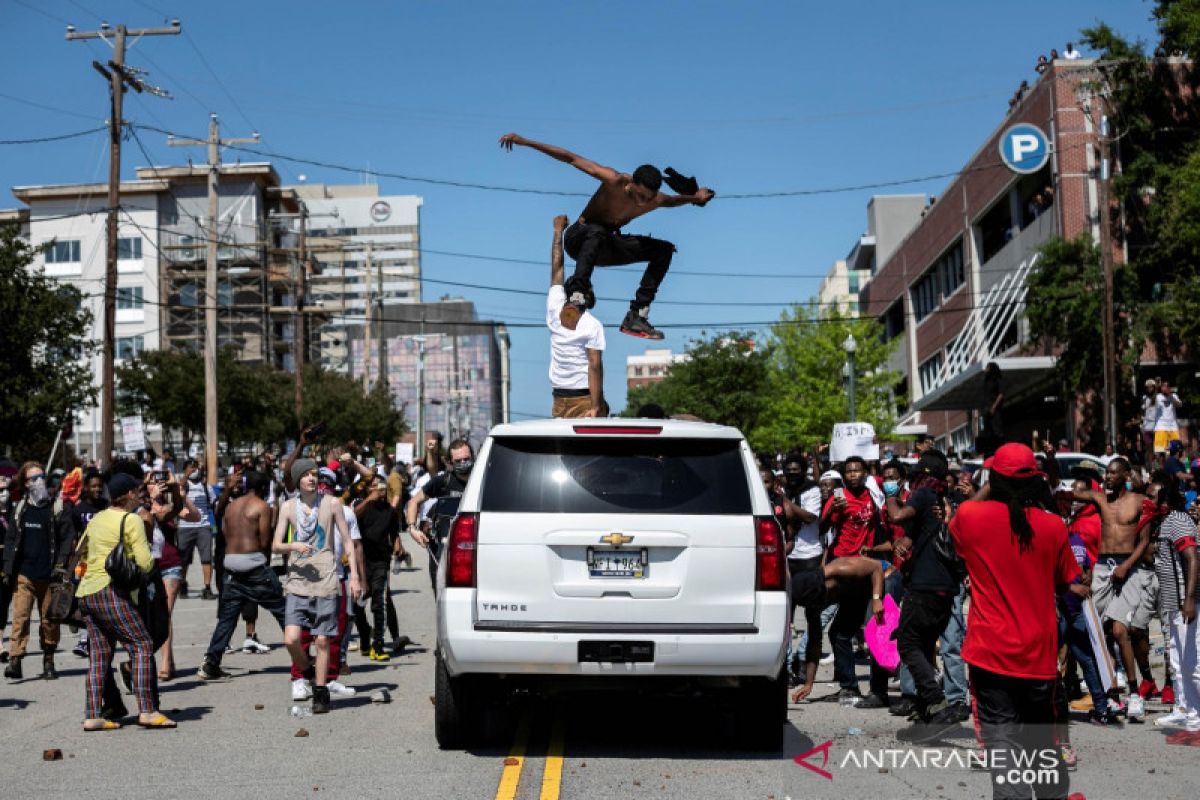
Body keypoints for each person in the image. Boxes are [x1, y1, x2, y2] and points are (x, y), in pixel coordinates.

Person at [950, 443, 1081, 798]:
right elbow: (1067, 580)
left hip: (991, 650)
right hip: (1038, 652)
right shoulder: (1054, 526)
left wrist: (991, 484)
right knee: (1039, 738)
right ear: (1035, 482)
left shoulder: (971, 517)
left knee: (1002, 739)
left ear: (993, 480)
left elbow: (964, 516)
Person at [499, 132, 714, 339]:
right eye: (639, 195)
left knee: (664, 250)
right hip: (578, 239)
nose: (642, 202)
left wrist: (695, 197)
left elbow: (674, 201)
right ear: (630, 183)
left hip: (606, 245)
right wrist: (524, 141)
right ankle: (576, 296)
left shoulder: (656, 200)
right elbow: (569, 157)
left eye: (647, 199)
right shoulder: (613, 180)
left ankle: (637, 315)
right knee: (597, 230)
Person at [75, 471, 174, 730]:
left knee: (99, 656)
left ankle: (93, 715)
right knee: (142, 644)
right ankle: (148, 711)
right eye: (136, 491)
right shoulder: (131, 520)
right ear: (129, 494)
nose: (139, 494)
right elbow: (145, 561)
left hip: (87, 592)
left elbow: (81, 551)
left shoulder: (96, 518)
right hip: (111, 591)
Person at [272, 459, 361, 714]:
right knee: (291, 639)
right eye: (306, 475)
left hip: (326, 577)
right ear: (298, 479)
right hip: (297, 579)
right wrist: (293, 546)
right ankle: (308, 670)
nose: (312, 478)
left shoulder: (332, 504)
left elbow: (347, 541)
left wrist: (354, 577)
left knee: (323, 640)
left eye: (314, 474)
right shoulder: (288, 507)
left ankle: (320, 691)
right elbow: (275, 545)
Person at [887, 451, 964, 741]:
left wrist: (890, 495)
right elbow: (918, 533)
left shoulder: (922, 495)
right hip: (944, 586)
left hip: (925, 586)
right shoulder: (943, 500)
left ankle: (937, 702)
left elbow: (896, 516)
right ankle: (925, 715)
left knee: (908, 643)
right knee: (922, 646)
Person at [1074, 457, 1156, 721]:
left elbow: (1144, 541)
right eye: (1105, 474)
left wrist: (1127, 566)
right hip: (1102, 567)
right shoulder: (1101, 500)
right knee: (1097, 629)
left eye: (1112, 473)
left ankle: (1134, 694)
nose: (1108, 478)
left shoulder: (1140, 501)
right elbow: (1075, 492)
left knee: (1121, 629)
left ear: (1126, 475)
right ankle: (1111, 690)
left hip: (1128, 567)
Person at [197, 470, 288, 682]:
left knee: (227, 618)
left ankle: (211, 662)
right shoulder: (262, 507)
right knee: (283, 610)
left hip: (231, 565)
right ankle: (303, 656)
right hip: (253, 566)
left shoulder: (231, 506)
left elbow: (227, 534)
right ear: (264, 488)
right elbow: (265, 542)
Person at [821, 456, 890, 708]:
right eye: (848, 471)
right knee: (839, 629)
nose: (853, 475)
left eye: (857, 470)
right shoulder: (838, 497)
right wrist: (833, 511)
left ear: (864, 472)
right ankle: (849, 686)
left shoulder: (873, 495)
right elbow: (822, 526)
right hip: (842, 566)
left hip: (865, 567)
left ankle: (851, 687)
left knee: (844, 630)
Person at [3, 462, 75, 681]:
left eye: (42, 476)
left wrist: (62, 565)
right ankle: (15, 659)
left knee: (49, 619)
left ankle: (49, 659)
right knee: (20, 616)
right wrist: (7, 568)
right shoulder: (20, 508)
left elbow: (67, 538)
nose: (40, 482)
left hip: (50, 574)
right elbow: (11, 540)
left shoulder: (57, 508)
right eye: (34, 478)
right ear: (26, 483)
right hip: (25, 573)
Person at [788, 557, 886, 704]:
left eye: (823, 597)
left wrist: (877, 598)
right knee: (838, 635)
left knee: (877, 633)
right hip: (856, 594)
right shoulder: (814, 603)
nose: (823, 603)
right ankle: (849, 688)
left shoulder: (840, 569)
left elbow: (876, 566)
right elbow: (814, 644)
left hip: (883, 579)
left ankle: (879, 693)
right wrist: (808, 684)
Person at [546, 213, 607, 417]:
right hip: (583, 398)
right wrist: (596, 406)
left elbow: (557, 267)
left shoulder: (555, 308)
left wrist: (558, 232)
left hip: (558, 398)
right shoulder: (592, 325)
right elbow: (594, 365)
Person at [1152, 476, 1199, 730]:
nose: (1148, 500)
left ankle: (1197, 714)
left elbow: (1192, 558)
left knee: (1193, 662)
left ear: (1165, 499)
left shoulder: (1179, 520)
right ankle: (1185, 708)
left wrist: (1189, 600)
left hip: (1185, 604)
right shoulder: (1165, 522)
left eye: (1153, 495)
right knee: (1178, 662)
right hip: (1173, 603)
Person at [406, 439, 475, 591]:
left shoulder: (484, 480)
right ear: (451, 462)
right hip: (442, 552)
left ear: (473, 457)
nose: (463, 463)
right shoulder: (444, 481)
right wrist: (412, 528)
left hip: (475, 552)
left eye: (466, 459)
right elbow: (413, 502)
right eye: (458, 460)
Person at [354, 477, 404, 660]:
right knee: (356, 603)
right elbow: (351, 516)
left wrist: (398, 545)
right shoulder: (363, 506)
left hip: (381, 562)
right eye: (374, 487)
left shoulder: (390, 511)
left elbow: (394, 533)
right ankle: (365, 636)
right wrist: (369, 499)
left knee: (379, 603)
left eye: (381, 487)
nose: (378, 490)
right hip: (361, 561)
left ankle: (379, 646)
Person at [177, 460, 216, 600]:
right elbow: (177, 490)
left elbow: (213, 503)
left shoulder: (206, 487)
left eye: (195, 468)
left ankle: (207, 587)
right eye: (190, 468)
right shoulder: (183, 485)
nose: (194, 470)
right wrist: (186, 475)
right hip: (185, 527)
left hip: (203, 526)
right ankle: (182, 584)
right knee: (183, 559)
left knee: (206, 558)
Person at [1154, 380, 1183, 457]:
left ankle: (1172, 466)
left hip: (1173, 426)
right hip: (1161, 426)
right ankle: (1162, 468)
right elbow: (1152, 401)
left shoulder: (1174, 396)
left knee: (1176, 449)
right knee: (1160, 451)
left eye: (1166, 386)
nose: (1164, 388)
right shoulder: (1158, 396)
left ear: (1169, 388)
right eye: (1163, 386)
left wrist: (1170, 395)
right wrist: (1156, 388)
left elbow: (1179, 405)